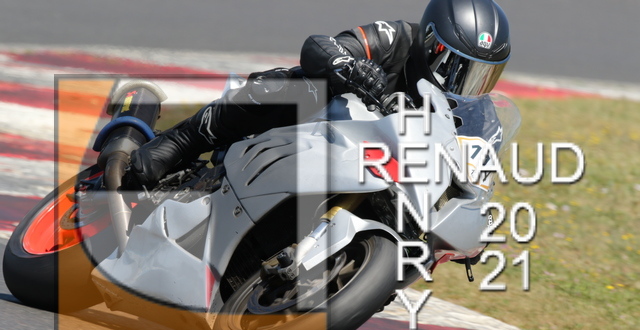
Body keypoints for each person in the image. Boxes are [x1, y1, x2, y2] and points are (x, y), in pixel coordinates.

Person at [125, 0, 511, 190]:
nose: (461, 84)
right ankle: (180, 141)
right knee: (301, 84)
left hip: (379, 173)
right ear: (428, 41)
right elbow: (320, 45)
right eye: (454, 66)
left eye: (480, 76)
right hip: (320, 130)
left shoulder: (476, 116)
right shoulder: (398, 38)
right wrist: (348, 66)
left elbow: (475, 179)